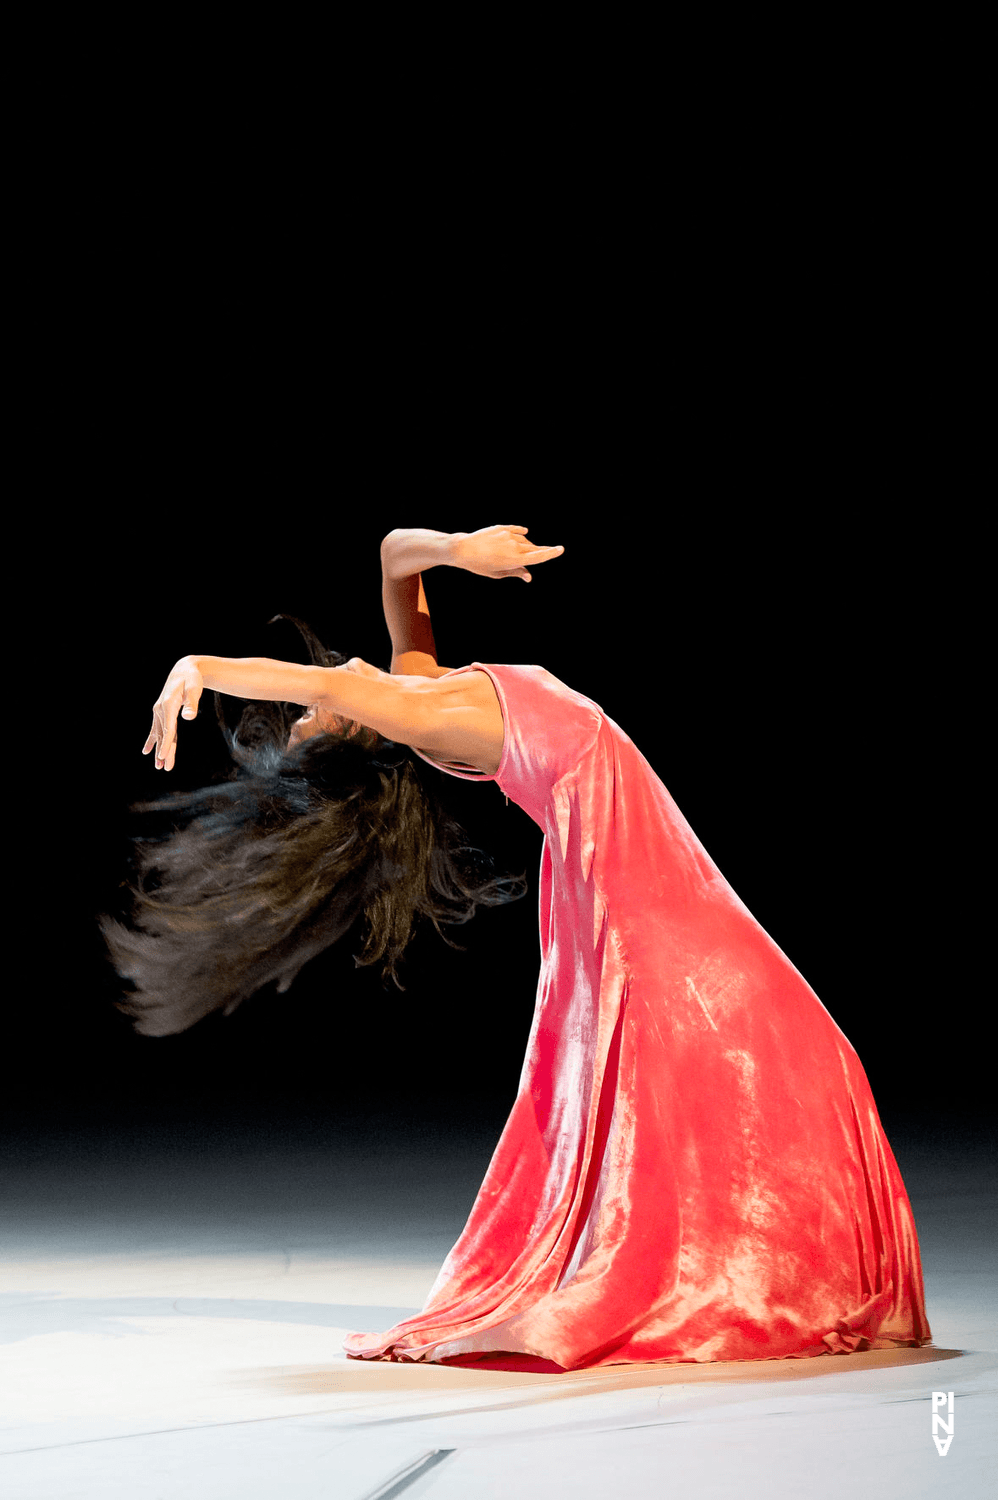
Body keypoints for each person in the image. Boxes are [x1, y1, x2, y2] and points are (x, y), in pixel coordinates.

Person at [124, 525, 931, 1372]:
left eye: (298, 718)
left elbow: (395, 552)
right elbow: (324, 678)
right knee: (744, 1039)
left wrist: (457, 549)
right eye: (311, 724)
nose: (307, 712)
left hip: (626, 825)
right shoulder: (410, 711)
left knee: (769, 1032)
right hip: (618, 848)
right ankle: (738, 1263)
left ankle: (780, 1254)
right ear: (352, 734)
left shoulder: (417, 685)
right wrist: (199, 669)